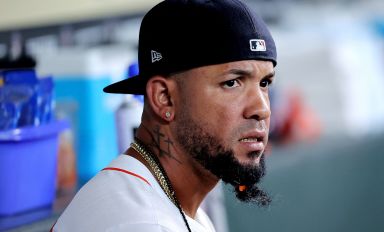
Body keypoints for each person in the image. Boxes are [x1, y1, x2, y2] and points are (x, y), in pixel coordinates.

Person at [52, 0, 277, 231]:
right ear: (164, 97)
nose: (262, 109)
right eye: (231, 83)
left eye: (264, 83)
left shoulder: (169, 201)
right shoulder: (143, 223)